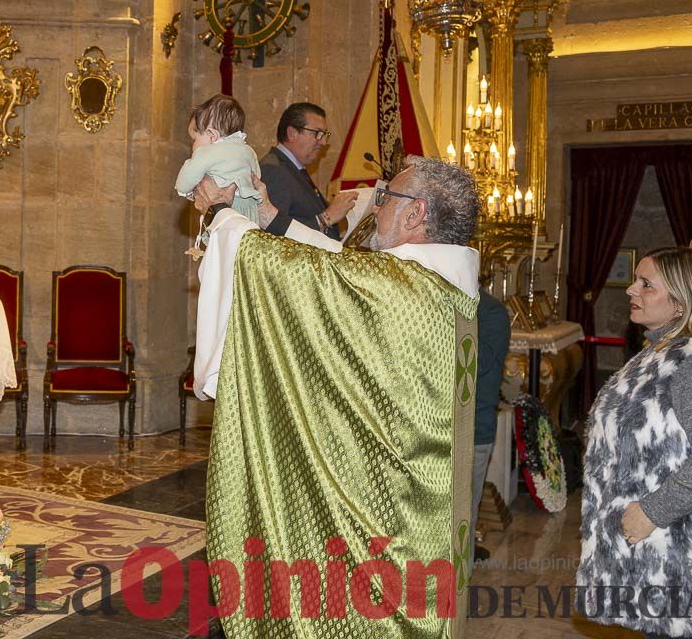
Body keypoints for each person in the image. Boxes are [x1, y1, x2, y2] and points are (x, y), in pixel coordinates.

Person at [192, 156, 481, 638]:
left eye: (388, 198)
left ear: (416, 214)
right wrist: (268, 215)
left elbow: (297, 273)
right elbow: (337, 265)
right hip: (424, 518)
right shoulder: (444, 288)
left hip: (391, 531)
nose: (378, 207)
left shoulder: (398, 289)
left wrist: (222, 214)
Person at [577, 247, 692, 639]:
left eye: (646, 284)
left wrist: (652, 511)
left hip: (675, 557)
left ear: (680, 303)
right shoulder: (656, 352)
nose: (630, 290)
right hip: (650, 556)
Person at [259, 102, 357, 241]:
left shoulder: (293, 168)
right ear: (292, 133)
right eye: (317, 133)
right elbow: (273, 235)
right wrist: (327, 218)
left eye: (324, 135)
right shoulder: (274, 170)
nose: (323, 142)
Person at [175, 95, 262, 239]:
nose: (193, 145)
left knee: (218, 250)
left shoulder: (207, 152)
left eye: (194, 139)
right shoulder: (248, 151)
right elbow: (256, 176)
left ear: (212, 135)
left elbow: (188, 175)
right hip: (250, 212)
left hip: (224, 211)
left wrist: (184, 190)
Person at [471, 288, 509, 557]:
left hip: (473, 430)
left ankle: (459, 589)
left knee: (463, 514)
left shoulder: (491, 311)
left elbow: (478, 361)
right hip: (434, 428)